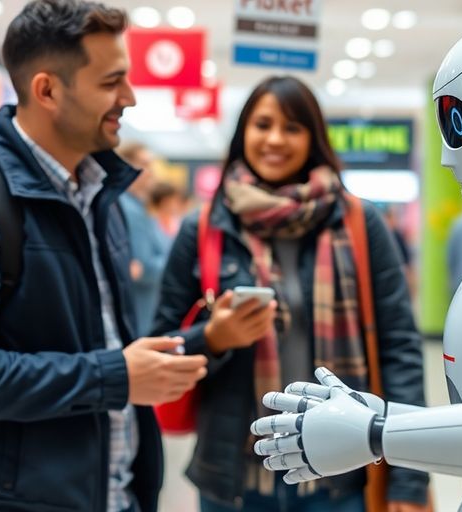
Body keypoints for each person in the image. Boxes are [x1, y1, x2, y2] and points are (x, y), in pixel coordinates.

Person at [0, 2, 207, 511]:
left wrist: (208, 338)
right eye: (111, 82)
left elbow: (100, 342)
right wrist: (115, 376)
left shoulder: (99, 197)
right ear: (47, 90)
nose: (128, 98)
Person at [151, 76, 430, 512]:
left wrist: (409, 479)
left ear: (312, 137)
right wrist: (214, 337)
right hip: (236, 477)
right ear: (244, 132)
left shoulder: (357, 222)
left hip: (341, 471)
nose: (275, 139)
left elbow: (399, 347)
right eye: (263, 125)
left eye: (293, 128)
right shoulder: (205, 227)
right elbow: (161, 344)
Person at [118, 142, 173, 338]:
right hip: (139, 309)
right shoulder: (129, 209)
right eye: (144, 164)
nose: (150, 172)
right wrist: (177, 261)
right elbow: (141, 268)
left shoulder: (137, 207)